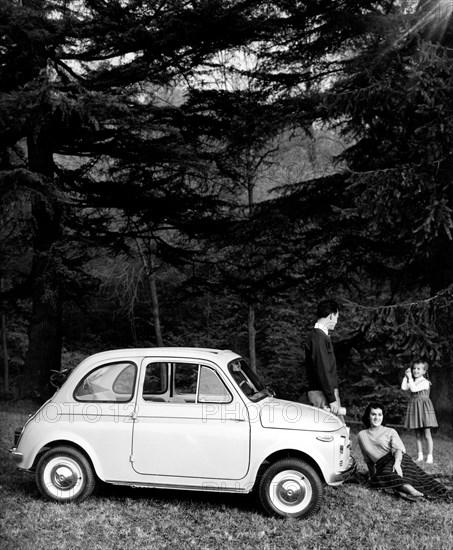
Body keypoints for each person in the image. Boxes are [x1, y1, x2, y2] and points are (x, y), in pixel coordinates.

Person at [357, 402, 447, 500]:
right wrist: (372, 476)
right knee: (382, 477)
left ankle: (413, 491)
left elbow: (398, 449)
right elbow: (368, 460)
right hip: (381, 465)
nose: (376, 417)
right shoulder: (362, 435)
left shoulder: (390, 431)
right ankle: (410, 490)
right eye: (373, 414)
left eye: (380, 414)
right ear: (368, 416)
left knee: (422, 481)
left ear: (383, 417)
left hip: (397, 459)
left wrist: (397, 463)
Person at [305, 299, 343, 419]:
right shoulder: (318, 338)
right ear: (331, 315)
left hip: (326, 394)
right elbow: (322, 369)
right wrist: (331, 399)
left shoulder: (319, 336)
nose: (337, 322)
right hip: (322, 396)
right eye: (337, 317)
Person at [401, 359, 438, 464]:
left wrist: (410, 379)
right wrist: (406, 376)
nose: (415, 371)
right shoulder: (414, 380)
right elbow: (404, 387)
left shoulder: (425, 382)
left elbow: (413, 389)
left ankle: (430, 456)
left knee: (427, 434)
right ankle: (420, 456)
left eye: (418, 369)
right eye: (414, 368)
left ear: (424, 371)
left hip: (424, 409)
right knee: (417, 434)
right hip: (415, 408)